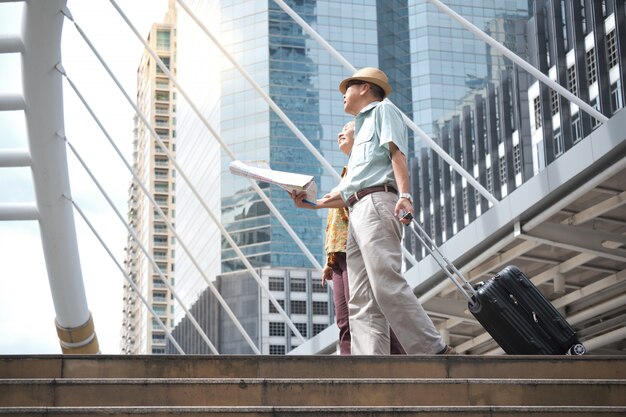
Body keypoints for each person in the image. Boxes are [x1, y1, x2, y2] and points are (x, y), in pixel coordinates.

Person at [292, 67, 453, 355]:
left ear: (365, 87)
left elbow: (396, 154)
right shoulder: (359, 131)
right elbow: (344, 191)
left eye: (347, 89)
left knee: (385, 284)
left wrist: (404, 195)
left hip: (377, 202)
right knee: (361, 301)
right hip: (355, 210)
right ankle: (370, 367)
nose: (343, 95)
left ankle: (433, 351)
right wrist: (310, 203)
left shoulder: (382, 111)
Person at [323, 120, 405, 355]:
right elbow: (337, 220)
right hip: (339, 254)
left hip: (355, 248)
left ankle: (403, 360)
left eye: (346, 129)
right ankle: (350, 367)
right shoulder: (347, 172)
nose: (340, 133)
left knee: (365, 311)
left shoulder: (363, 169)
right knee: (344, 319)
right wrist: (328, 260)